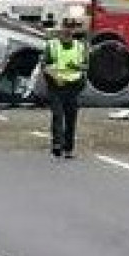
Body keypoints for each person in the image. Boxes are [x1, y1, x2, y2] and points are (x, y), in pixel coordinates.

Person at [42, 20, 88, 159]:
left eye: (71, 28)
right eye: (66, 28)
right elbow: (45, 65)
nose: (68, 31)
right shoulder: (52, 45)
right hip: (56, 85)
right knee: (58, 115)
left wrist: (77, 67)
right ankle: (57, 144)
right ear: (61, 29)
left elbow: (86, 66)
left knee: (71, 117)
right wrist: (55, 77)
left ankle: (68, 148)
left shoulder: (80, 46)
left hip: (73, 86)